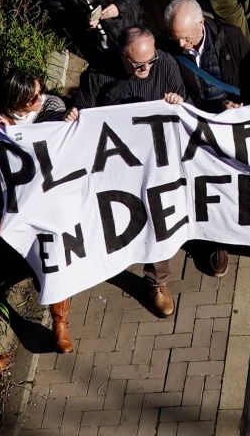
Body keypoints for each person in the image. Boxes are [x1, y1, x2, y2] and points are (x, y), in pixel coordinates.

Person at [74, 27, 185, 316]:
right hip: (118, 164)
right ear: (122, 57)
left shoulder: (165, 64)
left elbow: (184, 104)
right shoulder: (98, 74)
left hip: (155, 158)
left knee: (157, 216)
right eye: (138, 65)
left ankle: (157, 281)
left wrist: (178, 102)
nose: (147, 68)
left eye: (151, 60)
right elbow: (83, 117)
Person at [0, 70, 75, 351]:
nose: (40, 98)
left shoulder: (51, 108)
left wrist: (68, 121)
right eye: (33, 96)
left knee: (55, 257)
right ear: (17, 103)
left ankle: (60, 323)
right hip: (25, 206)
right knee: (41, 264)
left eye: (40, 90)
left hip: (55, 199)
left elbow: (62, 129)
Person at [160, 0, 248, 128]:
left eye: (186, 37)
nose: (181, 44)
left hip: (234, 117)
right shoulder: (167, 48)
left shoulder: (231, 39)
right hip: (195, 122)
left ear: (201, 23)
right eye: (176, 37)